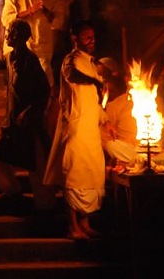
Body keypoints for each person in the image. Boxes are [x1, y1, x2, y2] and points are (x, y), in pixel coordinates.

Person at [44, 21, 113, 240]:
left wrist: (105, 120)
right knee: (73, 178)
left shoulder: (91, 64)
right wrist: (94, 80)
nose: (91, 41)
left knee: (91, 176)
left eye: (93, 37)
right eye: (86, 37)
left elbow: (93, 101)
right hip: (74, 129)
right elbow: (73, 75)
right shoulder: (70, 60)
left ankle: (86, 223)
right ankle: (73, 226)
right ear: (76, 39)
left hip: (90, 131)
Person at [0, 20, 55, 211]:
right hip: (12, 122)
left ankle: (45, 206)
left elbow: (44, 91)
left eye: (10, 33)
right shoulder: (11, 58)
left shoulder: (31, 61)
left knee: (36, 166)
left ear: (20, 37)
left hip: (29, 124)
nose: (7, 36)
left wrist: (28, 113)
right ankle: (13, 193)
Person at [1, 0, 66, 86]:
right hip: (17, 49)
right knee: (18, 84)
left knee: (47, 83)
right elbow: (6, 19)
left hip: (41, 48)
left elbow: (59, 22)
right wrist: (30, 11)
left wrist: (46, 12)